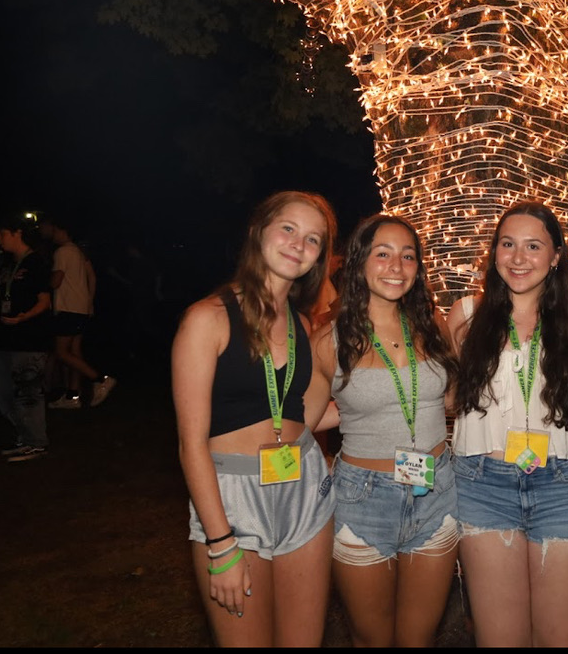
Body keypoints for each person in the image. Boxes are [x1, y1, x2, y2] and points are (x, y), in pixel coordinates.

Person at [170, 190, 339, 647]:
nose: (298, 244)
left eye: (313, 239)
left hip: (303, 489)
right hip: (233, 502)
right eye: (288, 228)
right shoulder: (206, 320)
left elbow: (302, 414)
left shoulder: (304, 327)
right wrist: (221, 543)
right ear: (257, 231)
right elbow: (190, 444)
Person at [446, 200, 568, 647]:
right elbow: (449, 396)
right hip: (483, 486)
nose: (518, 257)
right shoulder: (465, 317)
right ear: (493, 253)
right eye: (507, 244)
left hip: (565, 486)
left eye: (533, 246)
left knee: (560, 638)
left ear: (555, 257)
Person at [311, 213, 461, 646]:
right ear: (359, 263)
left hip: (435, 491)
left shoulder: (433, 325)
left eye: (407, 256)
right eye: (383, 254)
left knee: (418, 638)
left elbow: (448, 399)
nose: (396, 266)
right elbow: (305, 420)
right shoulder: (329, 340)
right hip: (364, 499)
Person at [0, 214, 54, 463]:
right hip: (5, 340)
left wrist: (23, 317)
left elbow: (45, 302)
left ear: (17, 233)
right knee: (3, 393)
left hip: (29, 339)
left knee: (28, 393)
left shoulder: (36, 263)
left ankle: (36, 442)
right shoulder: (6, 265)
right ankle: (24, 436)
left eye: (2, 234)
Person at [40, 214, 116, 409]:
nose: (50, 232)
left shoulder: (63, 252)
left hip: (67, 308)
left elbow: (56, 281)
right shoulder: (79, 252)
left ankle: (100, 379)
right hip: (80, 308)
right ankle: (72, 396)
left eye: (52, 229)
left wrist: (40, 284)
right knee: (74, 352)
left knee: (61, 352)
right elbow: (93, 277)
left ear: (61, 230)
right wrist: (89, 303)